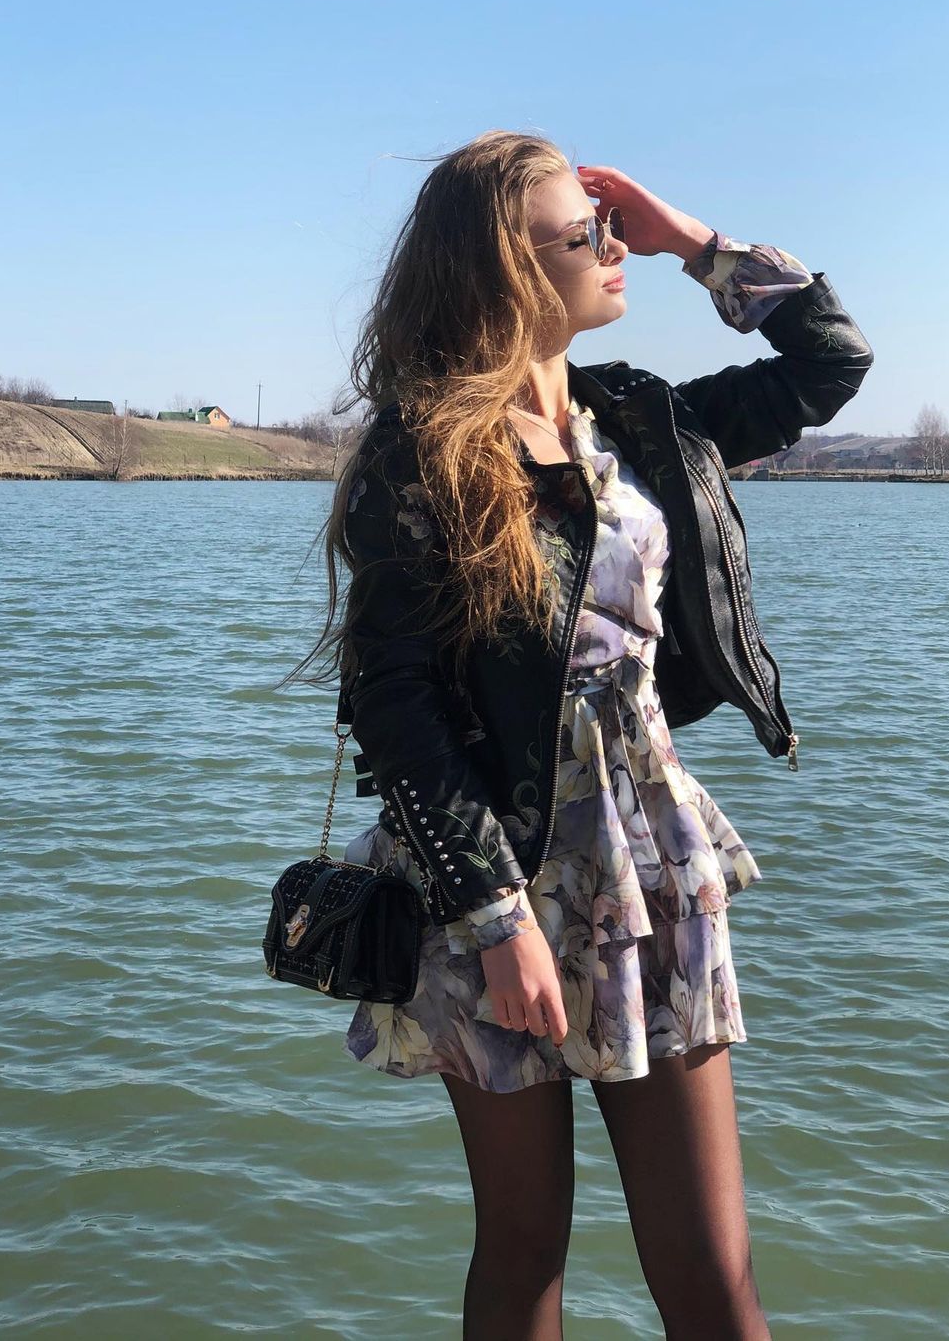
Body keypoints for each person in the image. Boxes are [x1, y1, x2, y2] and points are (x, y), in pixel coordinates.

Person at [286, 129, 873, 1340]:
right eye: (588, 233)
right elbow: (395, 701)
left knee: (712, 1268)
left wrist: (696, 245)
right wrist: (496, 920)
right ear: (509, 269)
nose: (615, 248)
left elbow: (832, 361)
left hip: (648, 858)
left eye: (612, 229)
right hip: (492, 877)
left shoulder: (643, 422)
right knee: (524, 1251)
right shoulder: (423, 455)